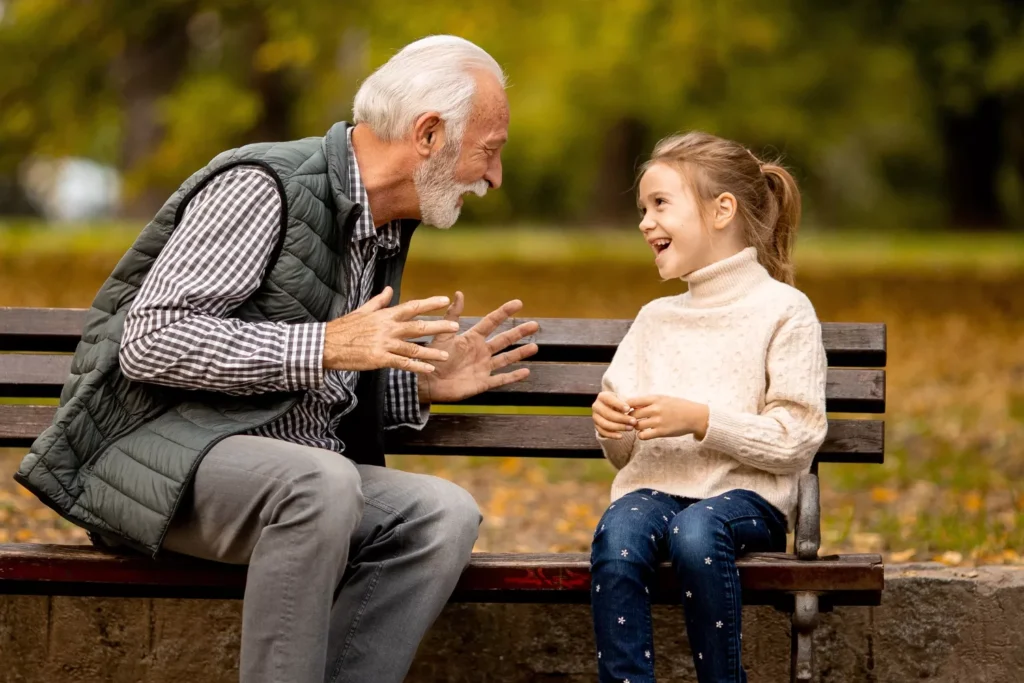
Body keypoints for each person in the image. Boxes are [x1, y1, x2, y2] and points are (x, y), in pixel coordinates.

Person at [16, 36, 539, 683]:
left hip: (285, 480)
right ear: (428, 134)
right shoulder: (263, 186)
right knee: (321, 481)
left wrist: (424, 386)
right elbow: (151, 339)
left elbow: (312, 388)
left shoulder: (376, 225)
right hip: (159, 463)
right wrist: (325, 342)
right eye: (489, 151)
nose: (493, 177)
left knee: (442, 515)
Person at [588, 131, 828, 683]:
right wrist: (612, 428)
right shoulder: (655, 318)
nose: (645, 222)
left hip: (747, 500)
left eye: (660, 204)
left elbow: (796, 438)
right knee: (618, 534)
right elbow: (624, 455)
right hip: (655, 490)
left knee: (697, 532)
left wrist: (702, 421)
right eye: (642, 208)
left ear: (722, 210)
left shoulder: (784, 311)